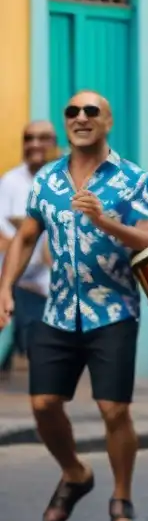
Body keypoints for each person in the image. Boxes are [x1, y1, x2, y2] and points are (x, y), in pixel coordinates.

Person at [0, 91, 148, 521]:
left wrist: (106, 222)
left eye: (92, 111)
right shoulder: (48, 179)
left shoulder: (134, 180)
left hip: (113, 310)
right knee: (43, 405)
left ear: (108, 121)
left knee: (114, 409)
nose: (81, 117)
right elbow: (26, 235)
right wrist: (5, 287)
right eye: (73, 111)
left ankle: (121, 499)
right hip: (57, 310)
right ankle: (75, 473)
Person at [0, 120, 58, 371]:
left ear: (55, 144)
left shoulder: (67, 180)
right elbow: (2, 236)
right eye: (29, 138)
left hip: (51, 280)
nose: (35, 144)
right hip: (15, 278)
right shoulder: (11, 181)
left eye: (43, 138)